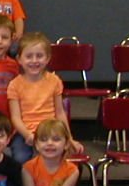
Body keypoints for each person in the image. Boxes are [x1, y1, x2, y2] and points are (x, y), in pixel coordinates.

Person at [8, 32, 81, 164]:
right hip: (25, 131)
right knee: (20, 158)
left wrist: (69, 138)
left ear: (47, 58)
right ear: (19, 59)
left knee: (61, 158)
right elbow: (15, 117)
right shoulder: (14, 85)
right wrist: (28, 135)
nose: (34, 60)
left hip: (51, 130)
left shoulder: (55, 81)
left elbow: (60, 112)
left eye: (39, 56)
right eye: (29, 56)